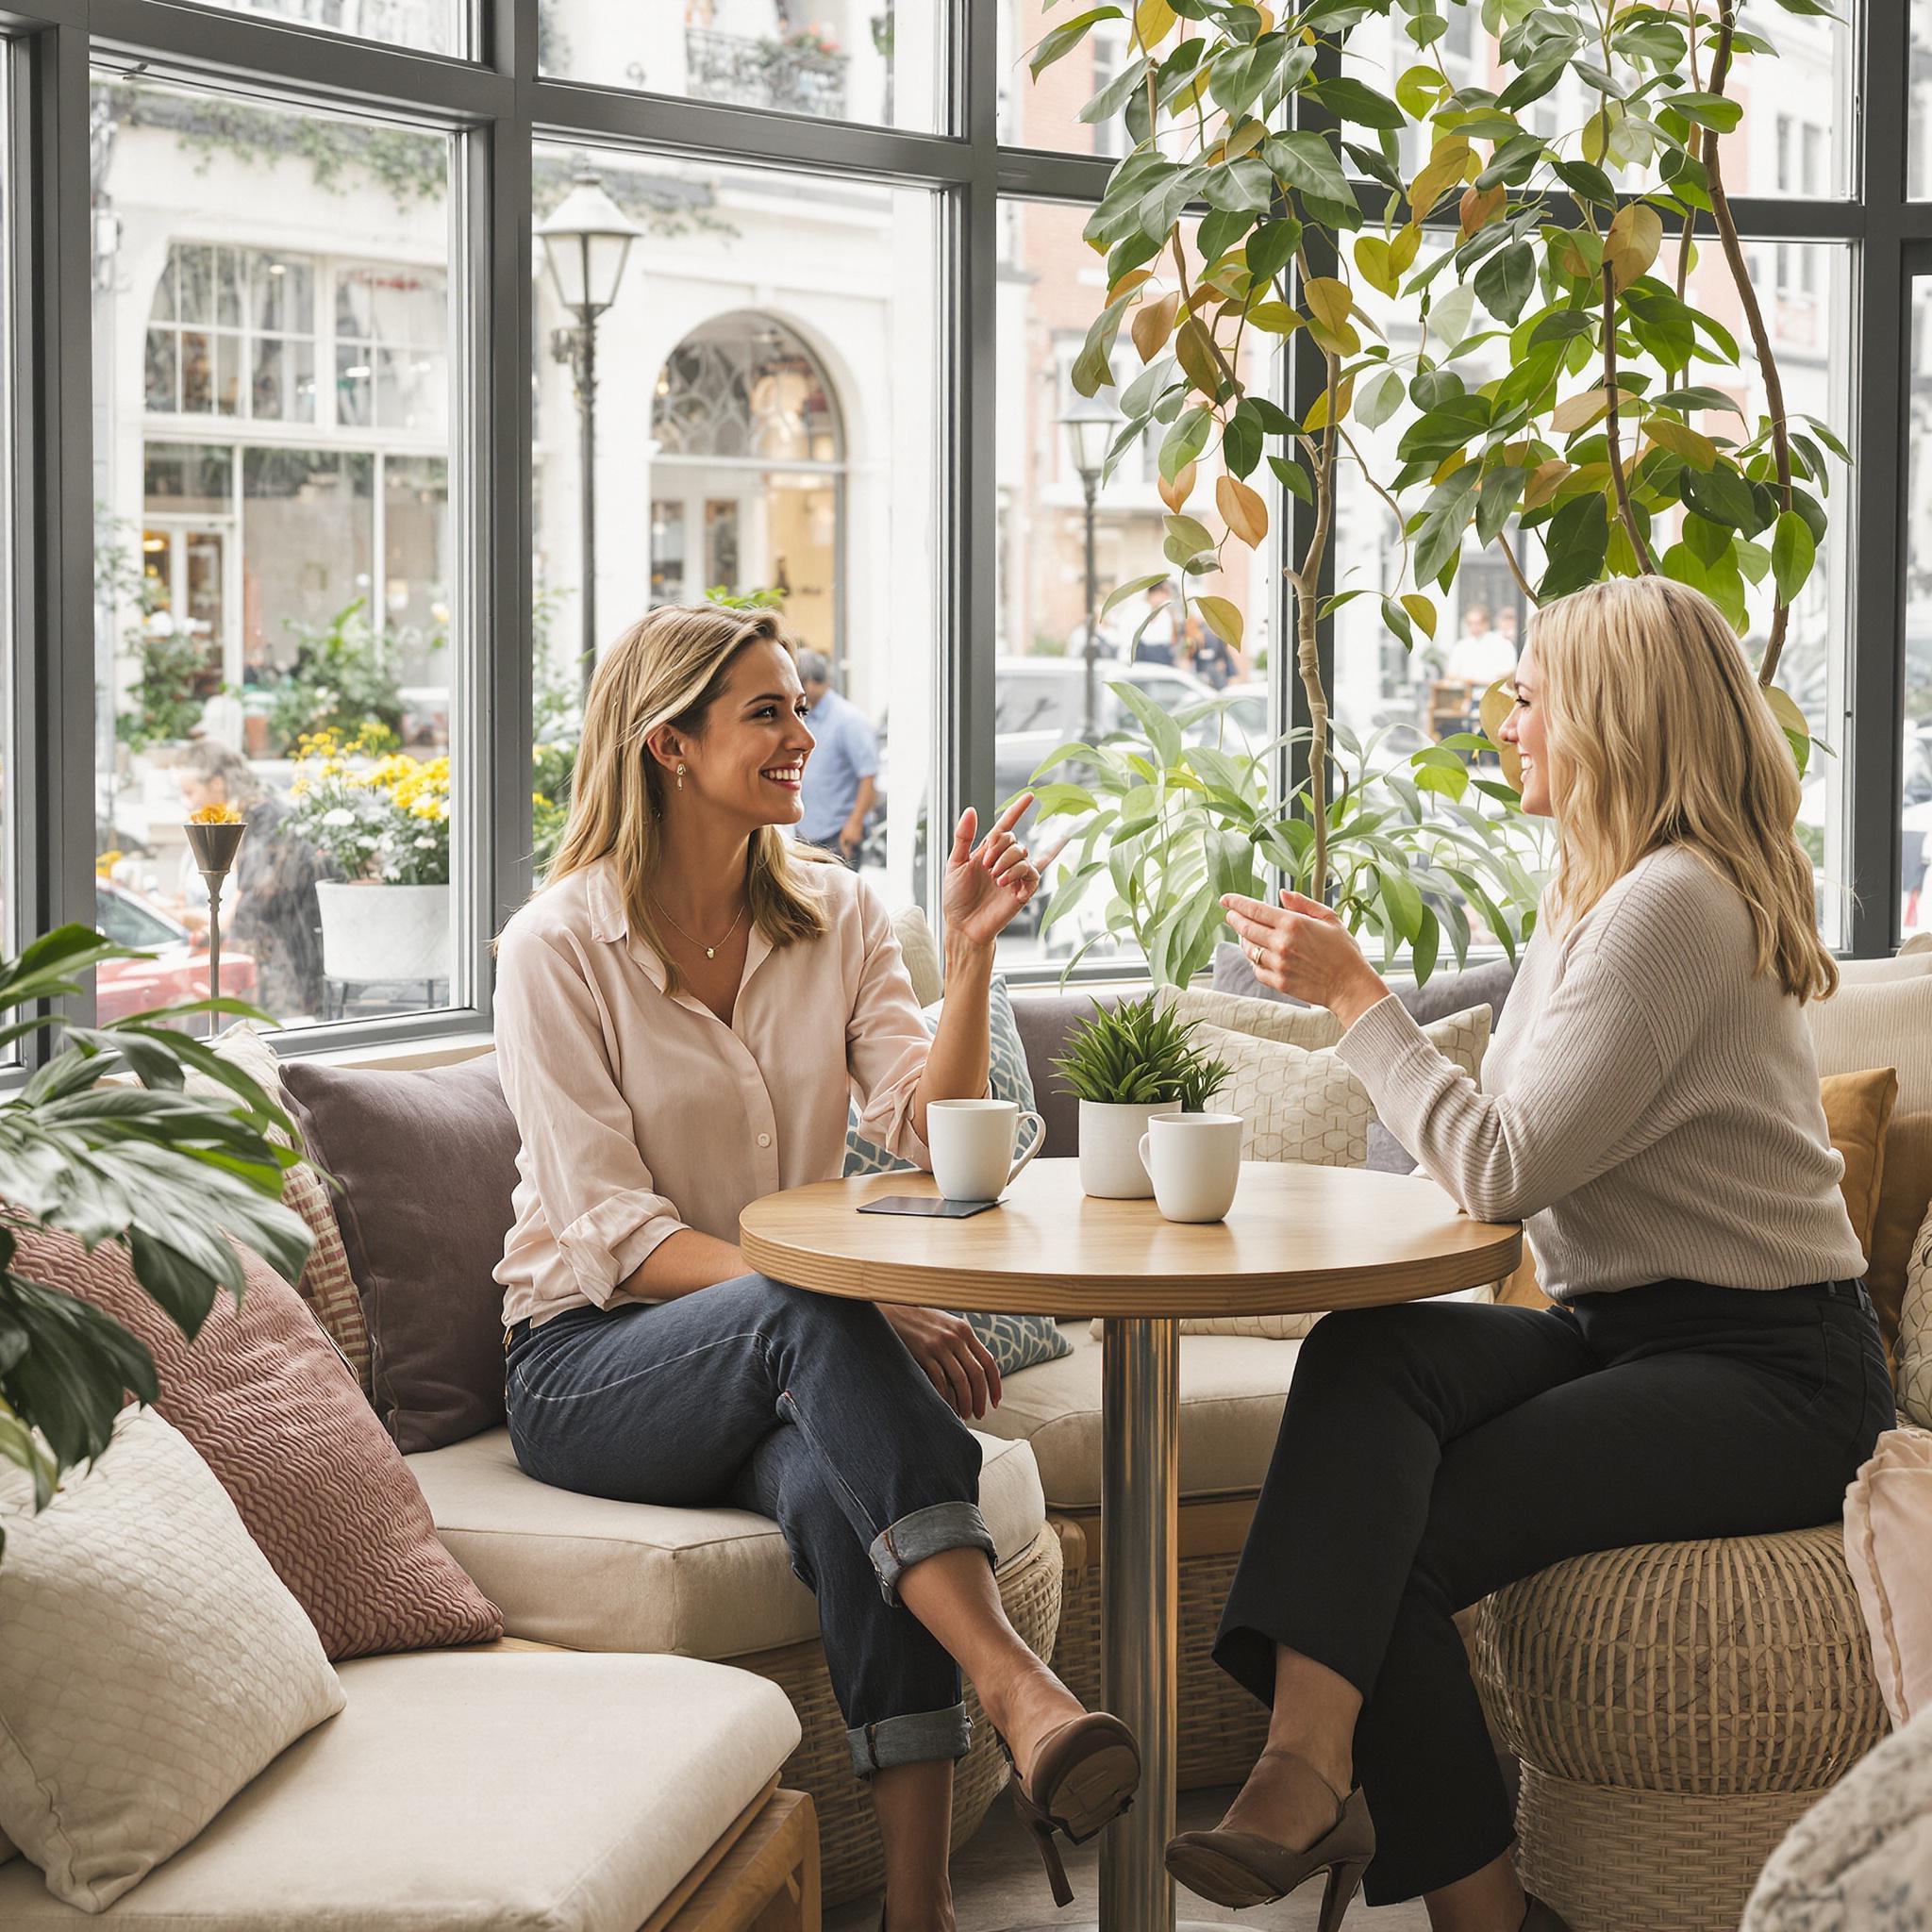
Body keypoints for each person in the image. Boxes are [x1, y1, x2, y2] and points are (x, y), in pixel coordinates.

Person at [1185, 575, 1892, 1932]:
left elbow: (1503, 1165)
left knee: (1391, 1542)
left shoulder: (1673, 907)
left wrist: (1353, 997)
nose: (1503, 720)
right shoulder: (1594, 898)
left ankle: (1466, 1901)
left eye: (1528, 694)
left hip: (1775, 1368)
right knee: (1371, 1355)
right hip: (1626, 1330)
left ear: (1612, 717)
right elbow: (1511, 1153)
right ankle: (1307, 1760)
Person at [492, 604, 1141, 1931]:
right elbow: (617, 1236)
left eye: (804, 705)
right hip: (591, 1367)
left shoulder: (836, 914)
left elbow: (937, 1137)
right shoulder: (555, 948)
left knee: (846, 1505)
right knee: (811, 1306)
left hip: (784, 1360)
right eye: (770, 714)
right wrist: (856, 1301)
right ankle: (1019, 1689)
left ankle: (919, 1909)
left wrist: (965, 959)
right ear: (668, 745)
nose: (809, 738)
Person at [175, 739, 331, 1022]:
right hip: (272, 972)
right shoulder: (240, 821)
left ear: (217, 784)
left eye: (189, 791)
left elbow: (256, 901)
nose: (186, 802)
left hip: (285, 977)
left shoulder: (264, 821)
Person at [796, 645, 879, 867]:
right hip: (806, 835)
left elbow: (869, 776)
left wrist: (855, 823)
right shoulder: (806, 716)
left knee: (840, 900)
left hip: (839, 837)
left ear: (811, 682)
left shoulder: (848, 720)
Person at [1444, 603, 1516, 688]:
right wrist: (1468, 680)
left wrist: (1480, 682)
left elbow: (1510, 672)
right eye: (1470, 623)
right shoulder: (1461, 646)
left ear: (1486, 623)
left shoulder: (1502, 643)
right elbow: (1450, 674)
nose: (1473, 627)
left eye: (1477, 623)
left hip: (1493, 694)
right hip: (1466, 695)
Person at [1137, 579, 1180, 667]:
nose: (1168, 596)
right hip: (1145, 655)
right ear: (1154, 593)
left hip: (1164, 654)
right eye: (1165, 592)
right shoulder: (1140, 609)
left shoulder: (1167, 612)